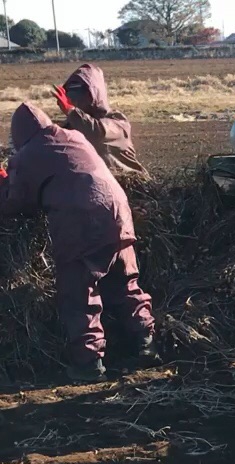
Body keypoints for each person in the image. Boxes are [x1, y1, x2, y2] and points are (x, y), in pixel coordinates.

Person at [0, 102, 161, 383]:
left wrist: (5, 183)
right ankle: (146, 346)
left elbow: (17, 203)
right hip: (119, 212)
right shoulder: (72, 136)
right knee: (125, 283)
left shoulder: (28, 155)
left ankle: (88, 365)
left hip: (82, 222)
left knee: (79, 294)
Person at [52, 63, 148, 177]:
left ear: (94, 92)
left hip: (133, 186)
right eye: (69, 91)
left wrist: (71, 111)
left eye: (79, 90)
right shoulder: (70, 126)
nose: (74, 97)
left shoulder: (117, 121)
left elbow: (97, 133)